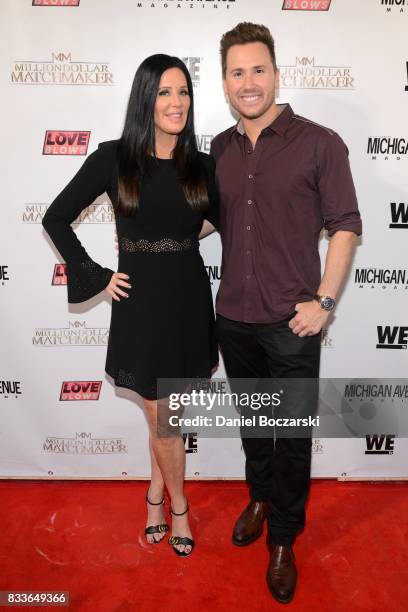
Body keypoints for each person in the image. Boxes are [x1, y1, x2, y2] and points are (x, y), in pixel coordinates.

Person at [42, 54, 219, 558]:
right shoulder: (113, 158)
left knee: (169, 415)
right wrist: (97, 276)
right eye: (164, 92)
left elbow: (227, 221)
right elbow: (55, 217)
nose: (176, 102)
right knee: (162, 412)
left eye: (183, 92)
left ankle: (154, 495)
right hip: (139, 304)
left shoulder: (201, 164)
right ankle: (179, 505)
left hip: (188, 299)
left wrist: (185, 237)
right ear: (145, 98)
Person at [210, 23, 362, 602]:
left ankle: (284, 537)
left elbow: (346, 225)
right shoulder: (219, 151)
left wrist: (324, 302)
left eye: (257, 70)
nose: (248, 83)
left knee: (293, 435)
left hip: (293, 323)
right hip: (234, 319)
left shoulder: (320, 142)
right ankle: (259, 496)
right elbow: (204, 222)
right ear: (224, 82)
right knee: (253, 426)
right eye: (236, 72)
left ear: (277, 73)